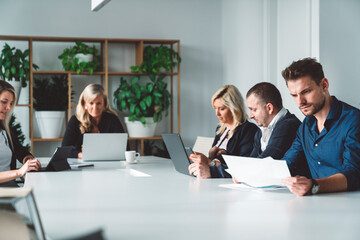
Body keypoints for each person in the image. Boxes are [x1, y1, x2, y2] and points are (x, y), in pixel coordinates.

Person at [281, 58, 360, 196]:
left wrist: (314, 186)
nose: (300, 102)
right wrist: (249, 175)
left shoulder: (353, 120)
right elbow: (287, 163)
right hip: (316, 204)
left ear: (324, 85)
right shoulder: (306, 125)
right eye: (294, 95)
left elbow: (354, 174)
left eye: (306, 91)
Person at [188, 85, 258, 178]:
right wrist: (206, 158)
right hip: (215, 179)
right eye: (215, 108)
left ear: (234, 108)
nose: (217, 113)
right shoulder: (220, 129)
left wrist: (209, 162)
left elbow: (244, 166)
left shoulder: (249, 130)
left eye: (221, 109)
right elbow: (215, 162)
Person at [62, 83, 125, 158]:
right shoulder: (75, 120)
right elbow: (64, 149)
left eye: (98, 103)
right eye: (91, 103)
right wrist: (81, 155)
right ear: (85, 103)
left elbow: (124, 147)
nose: (95, 108)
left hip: (108, 164)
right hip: (81, 166)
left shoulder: (112, 119)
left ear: (104, 103)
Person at [0, 80, 41, 187]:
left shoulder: (4, 129)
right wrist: (19, 172)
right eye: (4, 102)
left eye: (11, 103)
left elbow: (19, 151)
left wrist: (29, 161)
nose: (8, 108)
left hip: (10, 188)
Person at [246, 82, 301, 159]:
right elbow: (252, 162)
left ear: (269, 108)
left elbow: (266, 162)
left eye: (254, 110)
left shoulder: (289, 125)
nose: (250, 116)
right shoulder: (261, 129)